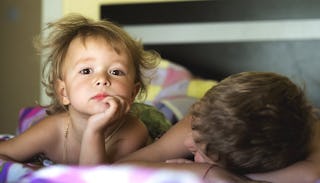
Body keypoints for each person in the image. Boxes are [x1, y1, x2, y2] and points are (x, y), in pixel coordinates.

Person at [0, 14, 159, 165]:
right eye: (86, 71)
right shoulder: (52, 130)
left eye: (116, 72)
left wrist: (94, 129)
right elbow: (6, 151)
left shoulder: (133, 131)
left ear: (133, 93)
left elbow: (96, 177)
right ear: (64, 92)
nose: (102, 79)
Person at [119, 72, 320, 183]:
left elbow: (310, 175)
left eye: (200, 149)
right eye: (194, 127)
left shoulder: (310, 140)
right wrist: (208, 171)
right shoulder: (209, 116)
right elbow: (122, 168)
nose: (188, 142)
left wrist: (219, 173)